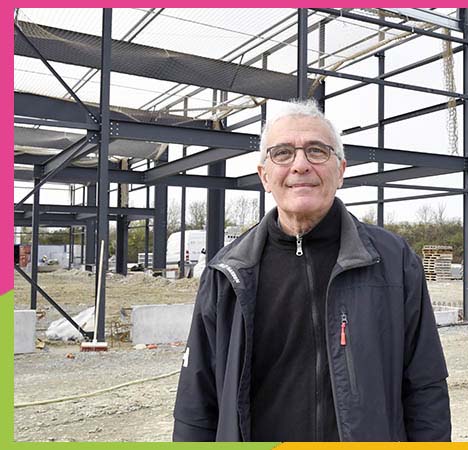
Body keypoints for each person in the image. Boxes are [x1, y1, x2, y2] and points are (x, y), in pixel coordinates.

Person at [172, 99, 451, 442]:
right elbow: (196, 404)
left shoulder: (394, 262)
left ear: (341, 171)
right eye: (283, 153)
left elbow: (425, 386)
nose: (300, 165)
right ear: (264, 176)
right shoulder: (227, 274)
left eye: (317, 151)